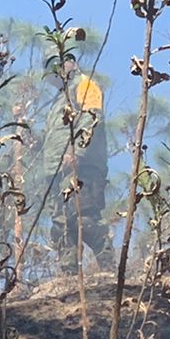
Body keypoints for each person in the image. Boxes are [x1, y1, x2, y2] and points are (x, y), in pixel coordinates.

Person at [44, 55, 110, 266]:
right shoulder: (57, 102)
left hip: (83, 167)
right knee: (61, 226)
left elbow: (93, 118)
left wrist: (77, 152)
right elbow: (53, 138)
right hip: (56, 171)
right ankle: (70, 276)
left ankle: (109, 269)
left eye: (58, 64)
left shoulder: (84, 84)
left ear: (71, 63)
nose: (54, 71)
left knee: (85, 218)